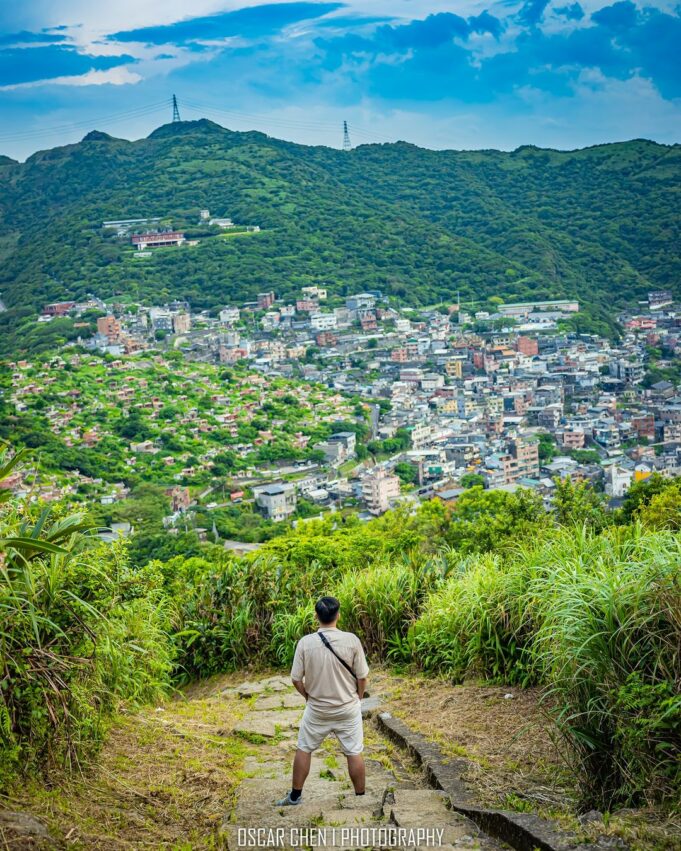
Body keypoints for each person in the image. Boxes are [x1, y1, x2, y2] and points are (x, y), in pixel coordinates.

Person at [277, 596, 369, 806]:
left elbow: (295, 678)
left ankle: (295, 796)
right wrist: (359, 697)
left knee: (304, 748)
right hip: (347, 708)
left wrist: (308, 697)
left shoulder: (305, 643)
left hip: (317, 709)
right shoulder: (352, 640)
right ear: (339, 615)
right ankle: (361, 798)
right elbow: (362, 677)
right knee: (354, 751)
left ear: (316, 616)